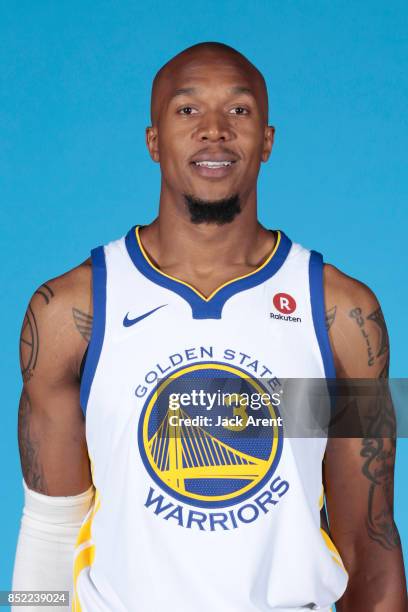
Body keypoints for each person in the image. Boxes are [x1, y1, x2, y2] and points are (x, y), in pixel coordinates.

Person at [13, 41, 407, 612]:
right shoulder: (71, 312)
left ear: (268, 140)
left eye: (240, 111)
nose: (215, 130)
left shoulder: (343, 316)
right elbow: (50, 528)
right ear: (154, 140)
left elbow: (369, 539)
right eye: (188, 110)